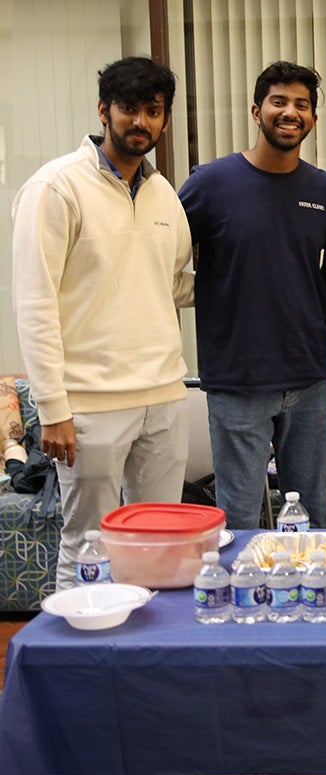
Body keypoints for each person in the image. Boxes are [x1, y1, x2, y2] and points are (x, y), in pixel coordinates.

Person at [11, 56, 194, 588]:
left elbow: (173, 284)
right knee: (87, 544)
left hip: (163, 396)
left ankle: (149, 662)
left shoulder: (164, 194)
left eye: (153, 111)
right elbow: (34, 302)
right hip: (88, 405)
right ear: (103, 111)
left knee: (160, 543)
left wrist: (250, 279)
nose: (141, 121)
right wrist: (52, 409)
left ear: (164, 120)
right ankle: (78, 665)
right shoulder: (56, 188)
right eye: (129, 109)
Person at [179, 62, 326, 529]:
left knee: (312, 512)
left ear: (313, 119)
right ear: (257, 111)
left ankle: (314, 599)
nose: (290, 112)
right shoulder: (211, 183)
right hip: (238, 377)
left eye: (302, 105)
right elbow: (160, 255)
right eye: (279, 101)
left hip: (310, 375)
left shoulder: (322, 188)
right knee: (238, 516)